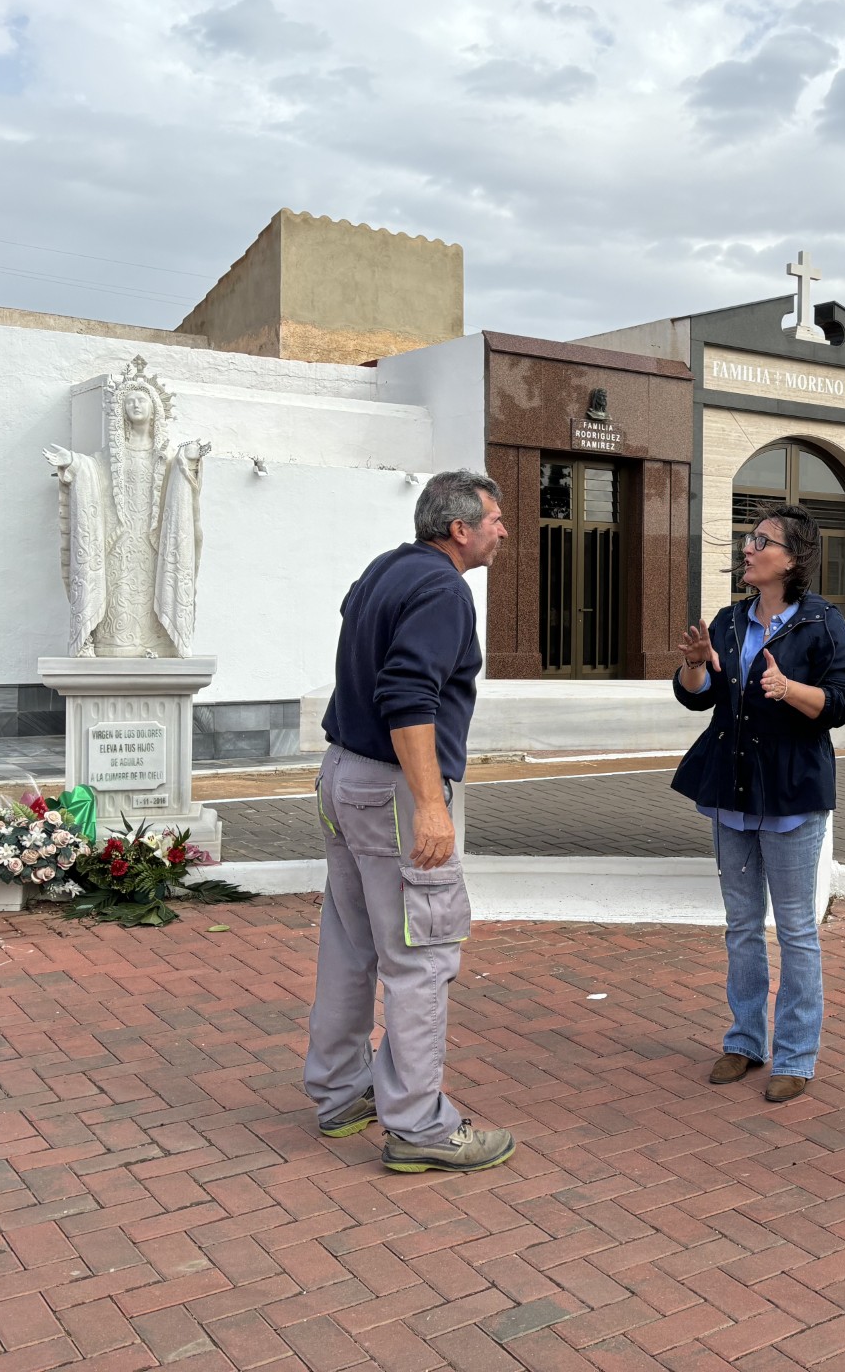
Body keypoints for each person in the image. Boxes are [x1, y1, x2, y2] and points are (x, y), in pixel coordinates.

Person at [304, 469, 517, 1173]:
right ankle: (420, 1127)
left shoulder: (387, 570)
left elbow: (363, 652)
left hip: (343, 774)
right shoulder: (442, 589)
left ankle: (340, 1094)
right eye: (494, 519)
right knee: (422, 956)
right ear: (459, 529)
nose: (502, 530)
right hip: (391, 788)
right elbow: (407, 694)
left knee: (351, 939)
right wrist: (429, 804)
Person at [672, 504, 845, 1104]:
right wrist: (696, 665)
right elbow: (698, 699)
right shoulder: (728, 621)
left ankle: (797, 1056)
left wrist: (788, 689)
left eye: (762, 541)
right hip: (731, 788)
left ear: (794, 559)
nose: (747, 548)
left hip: (792, 792)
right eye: (749, 539)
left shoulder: (823, 623)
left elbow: (841, 702)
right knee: (741, 926)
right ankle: (745, 1041)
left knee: (798, 930)